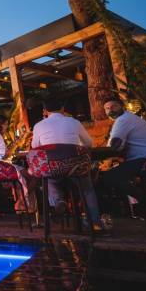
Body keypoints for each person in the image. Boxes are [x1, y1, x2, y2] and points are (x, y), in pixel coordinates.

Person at [31, 98, 101, 229]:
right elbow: (88, 143)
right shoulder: (73, 122)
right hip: (75, 167)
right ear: (63, 108)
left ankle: (59, 201)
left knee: (49, 179)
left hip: (53, 168)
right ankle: (95, 222)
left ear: (45, 111)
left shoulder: (39, 125)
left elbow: (35, 147)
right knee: (87, 189)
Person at [99, 97, 146, 206]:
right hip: (145, 157)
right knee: (118, 172)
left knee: (109, 176)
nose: (111, 110)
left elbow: (114, 147)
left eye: (114, 106)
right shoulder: (130, 117)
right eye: (107, 109)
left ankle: (145, 201)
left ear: (122, 106)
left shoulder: (123, 120)